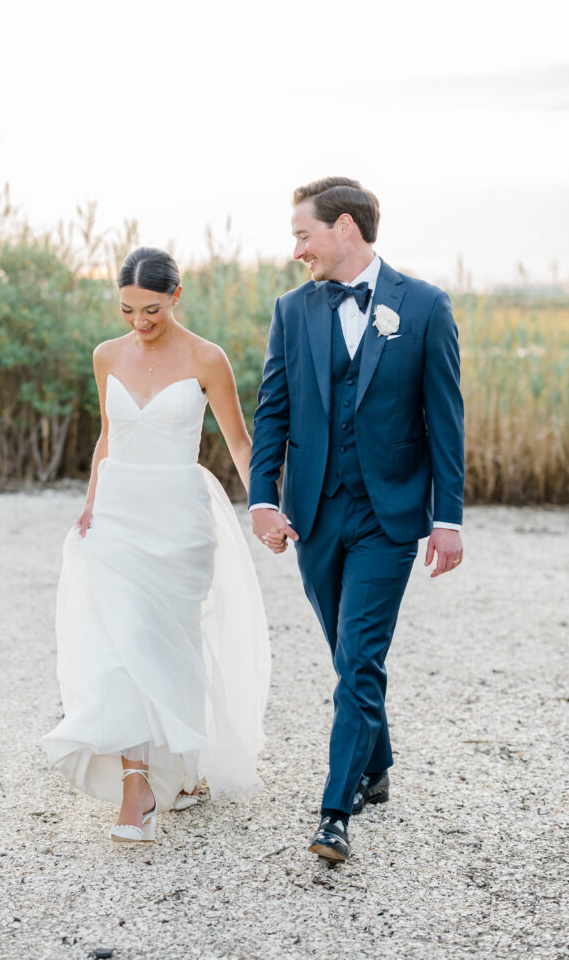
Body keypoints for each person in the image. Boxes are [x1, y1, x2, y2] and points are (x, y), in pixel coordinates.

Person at [248, 177, 464, 863]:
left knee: (360, 657)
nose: (295, 250)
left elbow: (444, 421)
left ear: (344, 228)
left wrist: (447, 518)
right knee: (349, 657)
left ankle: (334, 812)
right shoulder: (291, 310)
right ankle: (377, 764)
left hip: (389, 514)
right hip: (313, 511)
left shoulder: (423, 306)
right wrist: (262, 500)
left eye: (301, 235)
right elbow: (272, 411)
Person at [42, 247, 274, 844]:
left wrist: (268, 508)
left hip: (177, 519)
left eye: (150, 309)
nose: (138, 323)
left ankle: (185, 770)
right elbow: (108, 436)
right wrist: (91, 502)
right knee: (119, 645)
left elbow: (240, 443)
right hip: (117, 515)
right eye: (126, 309)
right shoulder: (107, 355)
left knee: (171, 645)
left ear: (176, 296)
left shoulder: (206, 358)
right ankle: (135, 787)